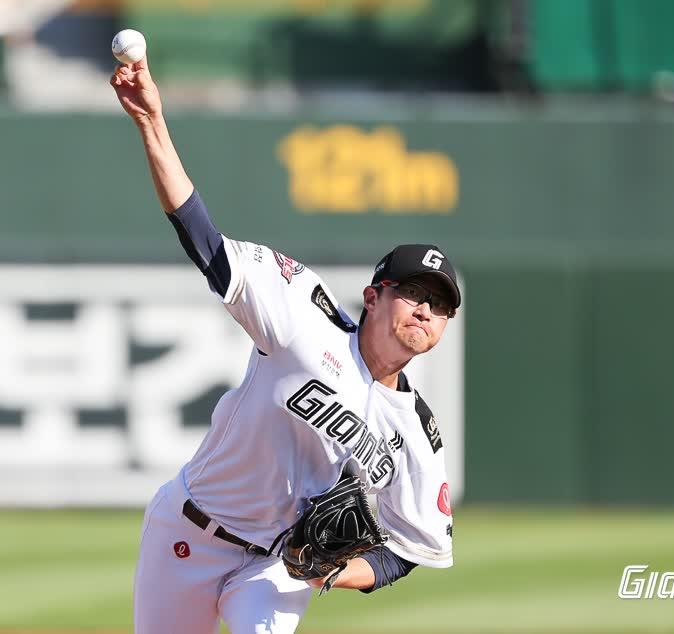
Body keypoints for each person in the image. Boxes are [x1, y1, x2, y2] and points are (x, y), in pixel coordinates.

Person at [111, 54, 460, 634]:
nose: (425, 309)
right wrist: (151, 122)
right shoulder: (305, 318)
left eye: (441, 304)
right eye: (414, 292)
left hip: (277, 565)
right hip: (188, 531)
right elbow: (204, 240)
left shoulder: (416, 433)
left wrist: (335, 570)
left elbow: (409, 550)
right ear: (374, 297)